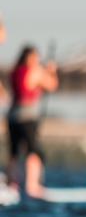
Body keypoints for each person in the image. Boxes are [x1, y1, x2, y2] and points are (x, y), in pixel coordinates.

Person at [7, 45, 58, 197]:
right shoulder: (34, 70)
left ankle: (11, 184)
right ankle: (32, 186)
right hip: (28, 116)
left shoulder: (14, 71)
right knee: (33, 151)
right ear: (30, 58)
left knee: (14, 152)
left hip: (12, 115)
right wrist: (51, 71)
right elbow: (52, 84)